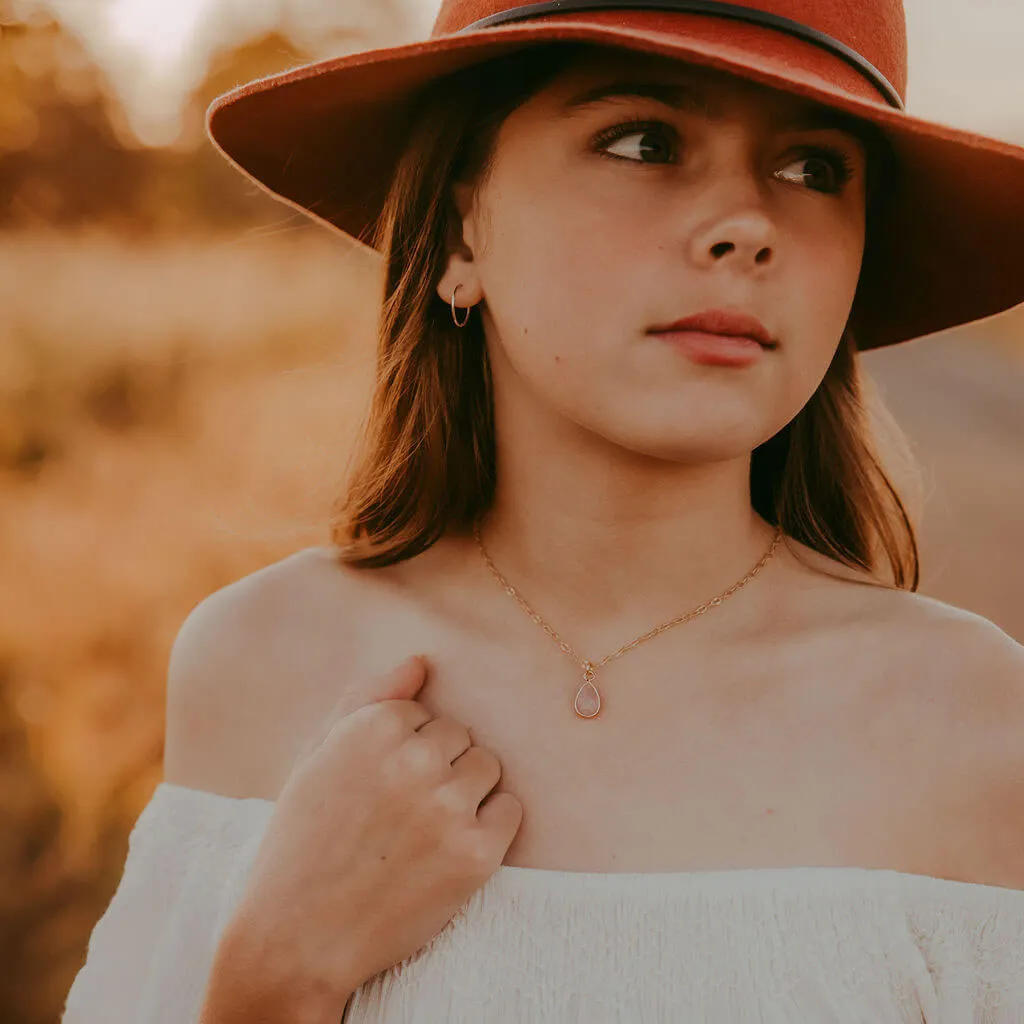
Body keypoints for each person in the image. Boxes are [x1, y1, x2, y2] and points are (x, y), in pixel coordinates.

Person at [63, 1, 1024, 1021]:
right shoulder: (261, 662)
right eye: (645, 141)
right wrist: (277, 973)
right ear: (458, 230)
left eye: (813, 169)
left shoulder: (979, 722)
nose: (748, 224)